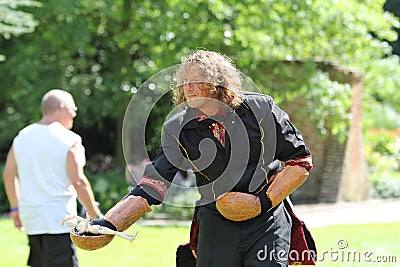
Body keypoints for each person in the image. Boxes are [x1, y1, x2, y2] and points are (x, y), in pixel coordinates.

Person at [71, 50, 313, 267]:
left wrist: (262, 201)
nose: (188, 87)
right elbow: (155, 183)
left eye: (197, 81)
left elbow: (299, 161)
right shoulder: (177, 126)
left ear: (219, 84)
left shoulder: (261, 109)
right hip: (216, 221)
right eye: (185, 82)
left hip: (267, 220)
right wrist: (111, 223)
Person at [2, 89, 102, 267]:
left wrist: (16, 208)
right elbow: (78, 181)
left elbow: (8, 175)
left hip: (31, 218)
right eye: (73, 109)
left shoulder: (22, 136)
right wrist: (95, 216)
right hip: (58, 219)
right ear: (61, 109)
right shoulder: (69, 139)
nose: (74, 113)